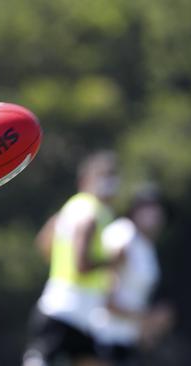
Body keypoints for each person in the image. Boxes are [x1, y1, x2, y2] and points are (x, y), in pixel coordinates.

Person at [23, 151, 120, 366]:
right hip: (68, 309)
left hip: (74, 310)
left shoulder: (74, 207)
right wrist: (112, 261)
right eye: (103, 176)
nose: (110, 182)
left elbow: (44, 242)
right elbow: (82, 264)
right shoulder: (89, 211)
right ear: (85, 180)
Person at [91, 186, 174, 366]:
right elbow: (106, 290)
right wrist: (146, 317)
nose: (154, 213)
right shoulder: (124, 234)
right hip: (104, 337)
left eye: (157, 208)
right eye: (147, 207)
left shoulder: (146, 246)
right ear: (135, 210)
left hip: (126, 339)